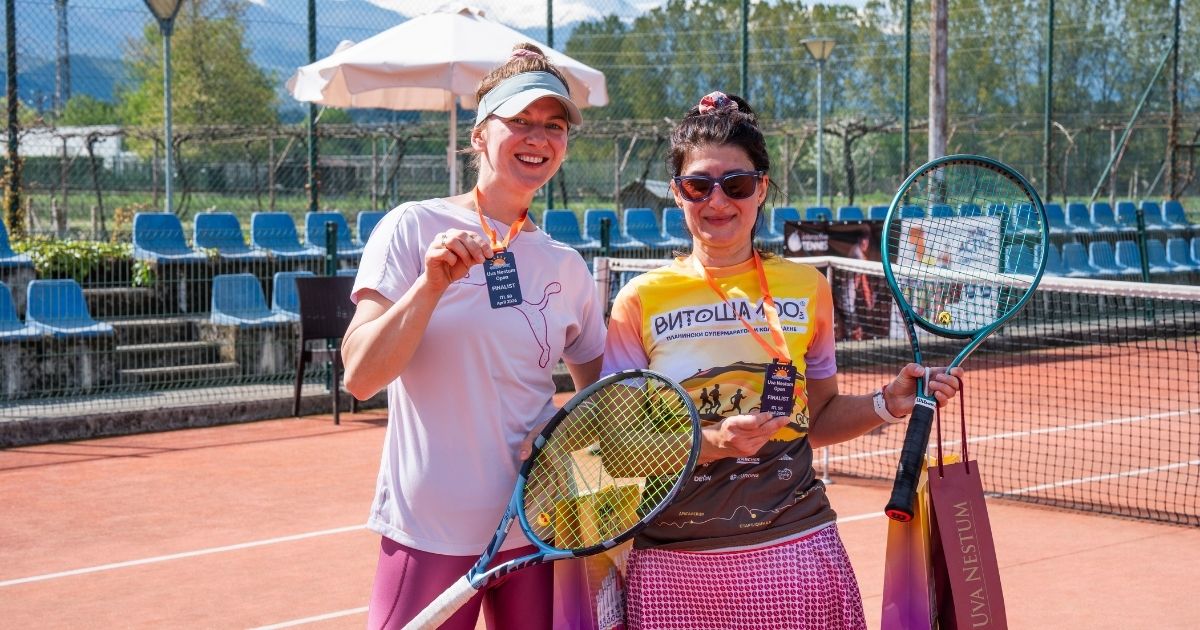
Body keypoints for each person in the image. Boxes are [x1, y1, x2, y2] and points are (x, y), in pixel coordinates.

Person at [602, 91, 963, 629]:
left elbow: (816, 419)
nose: (718, 201)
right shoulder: (638, 300)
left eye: (737, 184)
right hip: (675, 564)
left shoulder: (807, 288)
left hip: (797, 556)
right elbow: (621, 451)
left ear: (761, 188)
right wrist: (714, 442)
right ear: (677, 192)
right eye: (698, 185)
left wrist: (888, 403)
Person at [342, 43, 606, 630]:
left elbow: (605, 399)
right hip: (430, 528)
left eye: (554, 126)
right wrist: (430, 286)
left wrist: (564, 429)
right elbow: (359, 377)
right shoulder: (413, 227)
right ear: (480, 135)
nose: (538, 137)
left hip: (537, 526)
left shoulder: (566, 265)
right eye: (521, 120)